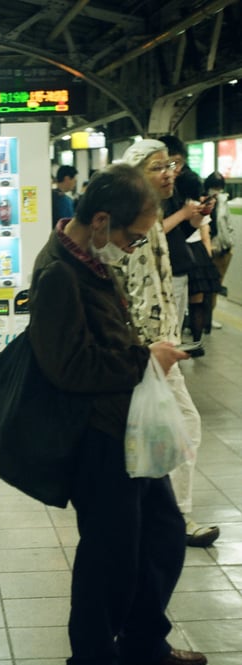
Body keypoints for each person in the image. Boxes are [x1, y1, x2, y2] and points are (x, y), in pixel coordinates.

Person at [28, 163, 207, 665]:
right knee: (110, 556)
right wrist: (143, 359)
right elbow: (69, 367)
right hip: (97, 439)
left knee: (162, 534)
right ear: (101, 221)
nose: (132, 249)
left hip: (126, 429)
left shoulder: (92, 259)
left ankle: (142, 639)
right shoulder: (59, 272)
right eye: (131, 236)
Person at [119, 139, 220, 548]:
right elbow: (130, 291)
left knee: (159, 431)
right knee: (180, 426)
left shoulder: (149, 215)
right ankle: (172, 518)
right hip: (146, 351)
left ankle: (159, 516)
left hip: (154, 346)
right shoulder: (135, 221)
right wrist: (150, 350)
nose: (169, 173)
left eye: (172, 166)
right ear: (136, 174)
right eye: (158, 166)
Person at [157, 135, 220, 346]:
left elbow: (181, 232)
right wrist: (183, 214)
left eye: (178, 164)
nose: (175, 170)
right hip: (163, 271)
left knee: (174, 327)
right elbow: (151, 234)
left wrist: (199, 215)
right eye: (168, 164)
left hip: (179, 266)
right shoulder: (147, 198)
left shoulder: (172, 193)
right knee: (166, 330)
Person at [203, 170, 235, 330]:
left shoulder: (223, 202)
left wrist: (230, 244)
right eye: (214, 187)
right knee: (204, 288)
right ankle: (202, 318)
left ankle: (210, 317)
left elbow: (228, 225)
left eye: (219, 187)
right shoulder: (202, 201)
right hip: (208, 250)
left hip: (223, 250)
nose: (216, 191)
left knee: (216, 287)